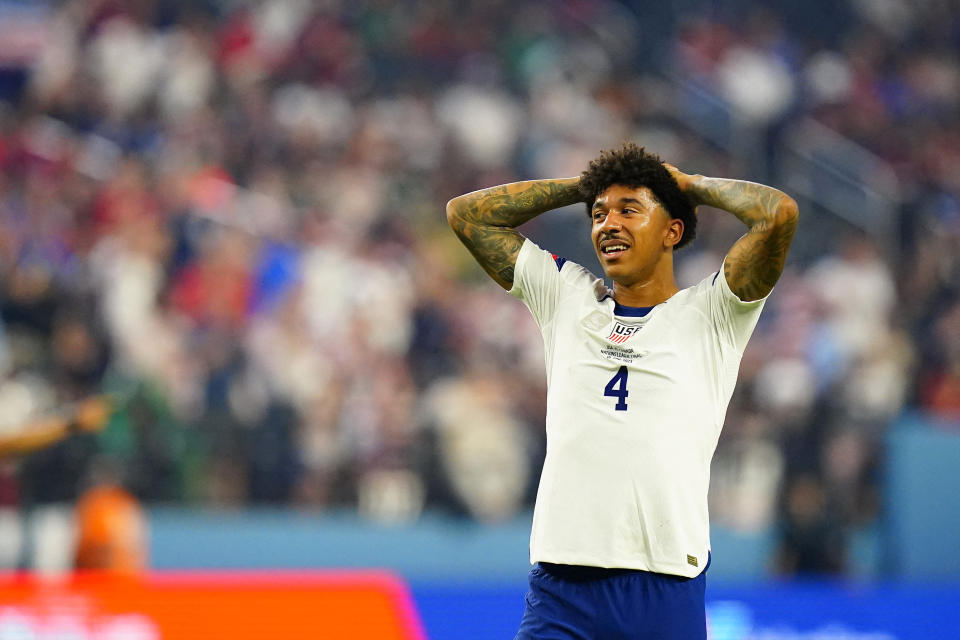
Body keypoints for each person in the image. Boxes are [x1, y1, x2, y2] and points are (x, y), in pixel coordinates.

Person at [446, 142, 798, 639]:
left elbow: (777, 215)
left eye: (630, 210)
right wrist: (585, 186)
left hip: (664, 584)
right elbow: (467, 216)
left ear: (672, 230)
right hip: (562, 585)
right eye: (598, 214)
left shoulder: (715, 312)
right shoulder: (567, 297)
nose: (607, 224)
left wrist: (688, 186)